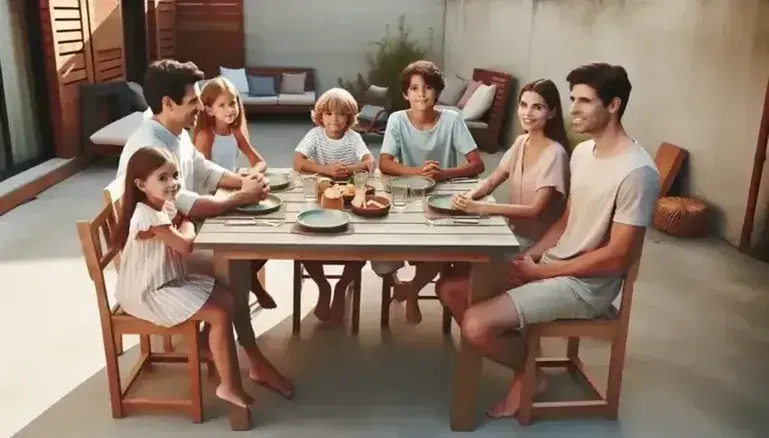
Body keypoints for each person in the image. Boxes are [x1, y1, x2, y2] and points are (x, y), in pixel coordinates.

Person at [438, 63, 660, 418]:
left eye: (585, 101)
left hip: (587, 286)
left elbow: (617, 257)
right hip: (553, 262)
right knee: (451, 289)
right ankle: (530, 370)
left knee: (476, 324)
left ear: (614, 105)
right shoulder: (585, 153)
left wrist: (542, 273)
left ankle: (527, 374)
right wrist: (533, 258)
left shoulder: (638, 173)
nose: (573, 109)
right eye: (573, 99)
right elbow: (566, 219)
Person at [118, 59, 293, 398]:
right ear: (168, 104)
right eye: (193, 101)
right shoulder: (148, 146)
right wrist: (237, 197)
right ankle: (252, 360)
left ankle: (217, 345)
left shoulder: (175, 132)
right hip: (158, 258)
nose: (200, 108)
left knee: (247, 251)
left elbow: (205, 169)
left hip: (175, 238)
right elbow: (184, 201)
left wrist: (243, 180)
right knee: (238, 264)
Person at [114, 146, 252, 408]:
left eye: (175, 175)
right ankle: (229, 386)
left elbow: (179, 226)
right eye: (163, 178)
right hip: (147, 292)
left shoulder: (160, 204)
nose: (173, 183)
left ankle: (208, 347)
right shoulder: (148, 214)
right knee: (220, 313)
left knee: (227, 297)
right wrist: (187, 221)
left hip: (165, 279)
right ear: (141, 184)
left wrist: (183, 219)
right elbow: (185, 245)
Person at [430, 78, 571, 319]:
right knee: (456, 258)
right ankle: (484, 323)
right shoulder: (521, 142)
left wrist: (480, 208)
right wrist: (469, 196)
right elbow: (494, 179)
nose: (527, 113)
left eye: (537, 107)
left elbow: (536, 210)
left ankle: (488, 330)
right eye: (523, 105)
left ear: (553, 112)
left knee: (453, 283)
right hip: (511, 235)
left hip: (536, 246)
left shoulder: (555, 154)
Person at [372, 60, 485, 324]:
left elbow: (476, 164)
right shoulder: (397, 120)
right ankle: (396, 279)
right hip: (403, 196)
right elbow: (385, 163)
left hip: (441, 198)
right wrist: (416, 171)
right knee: (380, 240)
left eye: (428, 88)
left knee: (441, 249)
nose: (421, 94)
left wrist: (441, 175)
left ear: (437, 92)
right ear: (405, 94)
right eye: (414, 88)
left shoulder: (452, 120)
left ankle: (411, 291)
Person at [192, 75, 277, 309]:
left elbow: (259, 161)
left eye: (233, 103)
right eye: (222, 105)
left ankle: (248, 279)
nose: (230, 109)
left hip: (232, 195)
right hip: (210, 204)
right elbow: (205, 178)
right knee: (247, 242)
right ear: (208, 109)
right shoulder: (205, 136)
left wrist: (250, 176)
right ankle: (255, 287)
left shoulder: (234, 132)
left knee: (270, 236)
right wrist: (241, 183)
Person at [293, 87, 372, 323]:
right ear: (320, 117)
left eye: (341, 114)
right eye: (329, 114)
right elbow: (298, 161)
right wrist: (326, 170)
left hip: (348, 201)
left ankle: (341, 287)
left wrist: (348, 169)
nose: (334, 119)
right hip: (321, 200)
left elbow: (370, 163)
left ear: (349, 117)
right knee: (304, 241)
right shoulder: (315, 135)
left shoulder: (353, 138)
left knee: (362, 245)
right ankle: (323, 285)